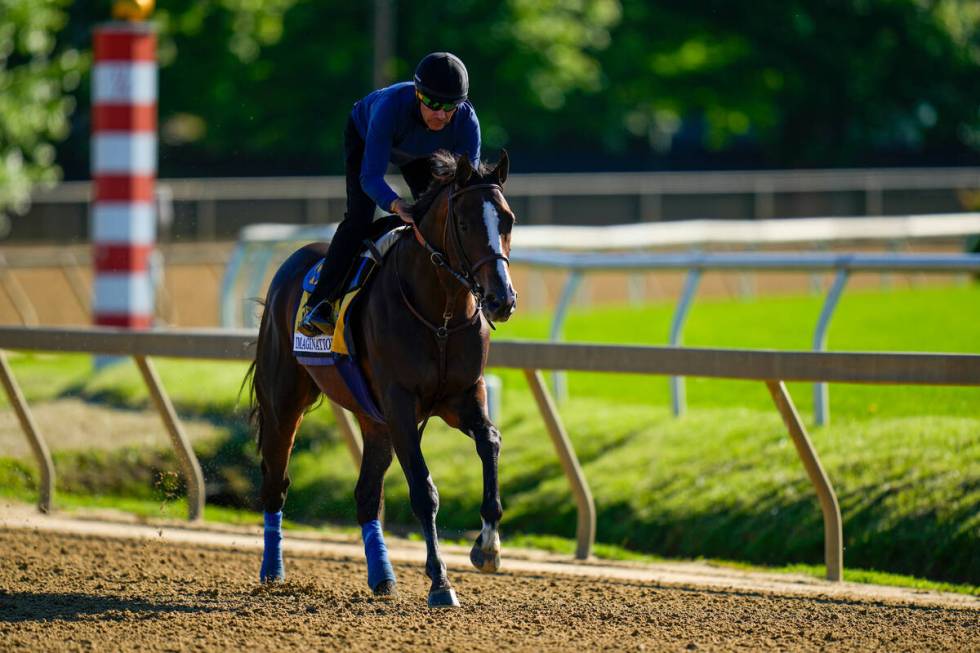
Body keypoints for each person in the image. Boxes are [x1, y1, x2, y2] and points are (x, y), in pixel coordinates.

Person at [299, 51, 481, 336]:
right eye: (433, 104)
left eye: (450, 107)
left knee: (441, 219)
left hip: (422, 154)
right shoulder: (389, 108)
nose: (441, 115)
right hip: (365, 135)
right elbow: (370, 177)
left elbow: (465, 189)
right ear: (418, 94)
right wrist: (395, 204)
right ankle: (320, 302)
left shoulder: (468, 123)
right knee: (360, 218)